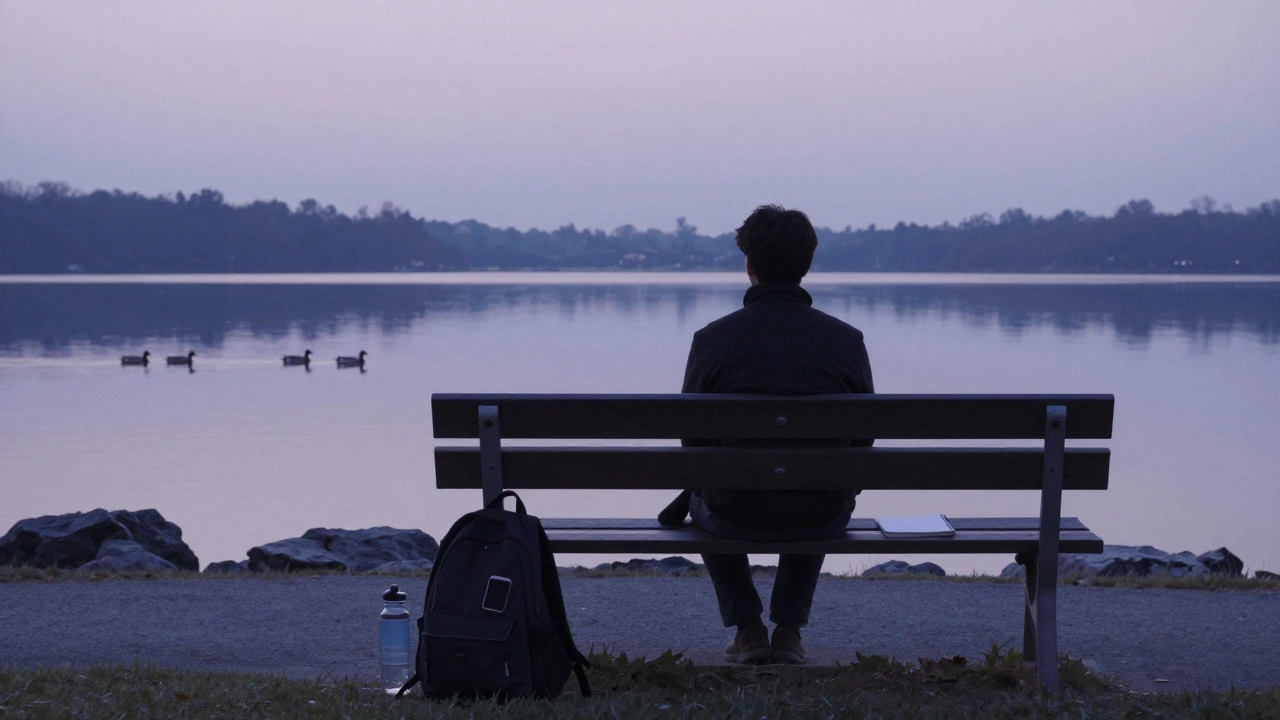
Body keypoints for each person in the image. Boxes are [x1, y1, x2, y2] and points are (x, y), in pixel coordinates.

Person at [674, 204, 874, 665]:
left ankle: (747, 630)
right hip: (819, 513)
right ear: (806, 265)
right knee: (822, 480)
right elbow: (863, 442)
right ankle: (788, 632)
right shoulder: (845, 341)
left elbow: (691, 448)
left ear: (749, 266)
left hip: (733, 512)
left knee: (703, 489)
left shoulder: (713, 339)